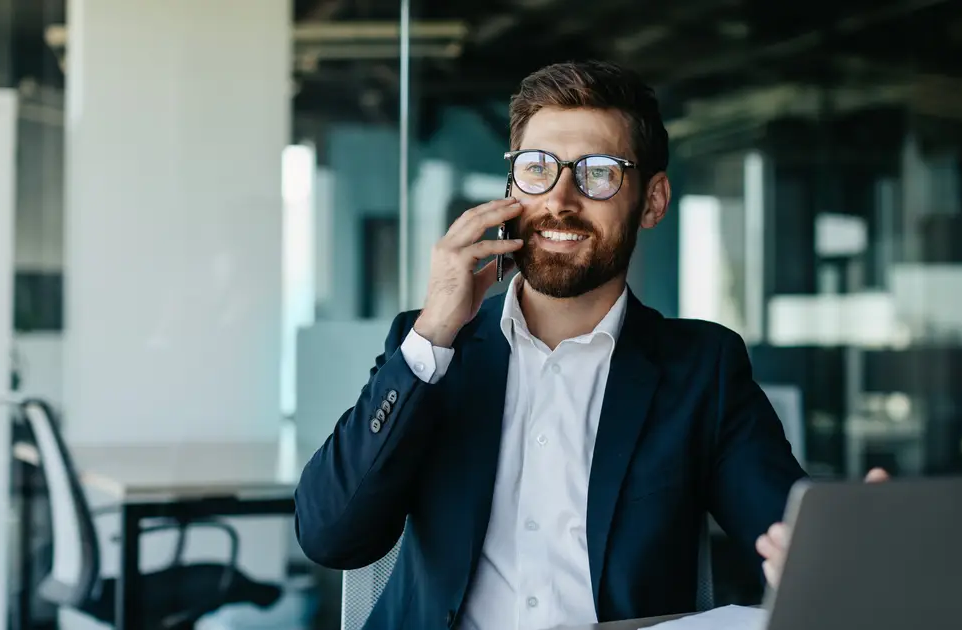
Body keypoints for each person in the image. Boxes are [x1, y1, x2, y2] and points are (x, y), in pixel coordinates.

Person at [293, 59, 880, 630]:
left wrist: (845, 543)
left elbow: (785, 539)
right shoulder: (433, 350)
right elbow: (331, 536)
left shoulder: (701, 370)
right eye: (537, 168)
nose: (559, 200)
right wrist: (433, 336)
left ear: (652, 201)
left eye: (599, 172)